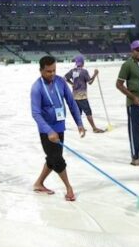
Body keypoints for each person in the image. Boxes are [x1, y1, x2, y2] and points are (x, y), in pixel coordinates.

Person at [32, 55, 85, 201]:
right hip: (47, 131)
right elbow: (35, 113)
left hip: (60, 128)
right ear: (41, 71)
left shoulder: (60, 82)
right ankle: (69, 188)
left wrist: (79, 123)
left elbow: (71, 102)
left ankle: (38, 183)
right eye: (48, 71)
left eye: (54, 70)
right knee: (58, 159)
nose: (52, 74)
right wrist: (49, 131)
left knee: (52, 158)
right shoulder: (37, 88)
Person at [64, 55, 105, 133]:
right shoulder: (84, 71)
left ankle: (81, 127)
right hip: (82, 96)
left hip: (74, 96)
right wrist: (95, 74)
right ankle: (94, 128)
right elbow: (90, 82)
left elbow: (65, 78)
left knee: (78, 112)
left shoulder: (72, 71)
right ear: (82, 63)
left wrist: (72, 83)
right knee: (88, 112)